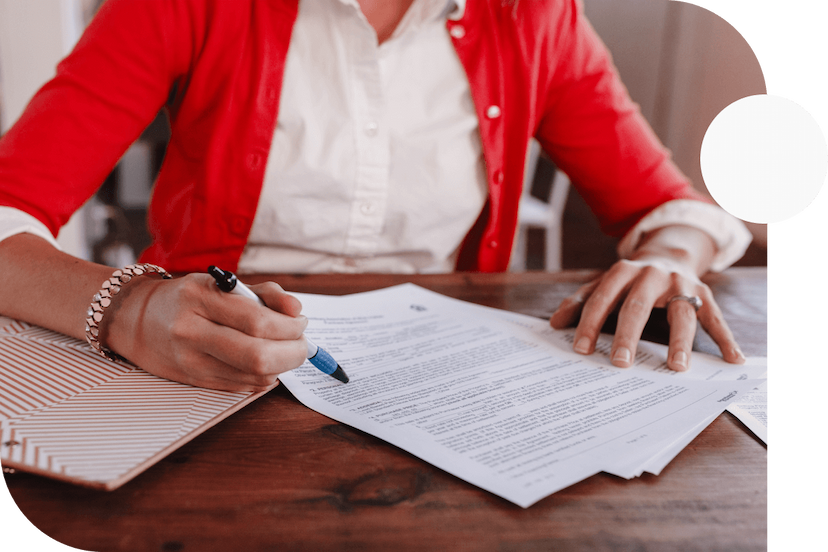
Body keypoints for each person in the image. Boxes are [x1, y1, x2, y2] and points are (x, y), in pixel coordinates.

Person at [0, 0, 752, 392]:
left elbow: (670, 211)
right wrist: (130, 309)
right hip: (203, 366)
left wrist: (673, 259)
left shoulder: (536, 16)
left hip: (438, 379)